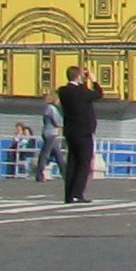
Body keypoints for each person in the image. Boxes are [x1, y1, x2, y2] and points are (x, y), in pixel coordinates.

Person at [56, 65, 103, 204]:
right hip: (84, 131)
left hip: (70, 131)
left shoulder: (63, 91)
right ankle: (77, 193)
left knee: (72, 163)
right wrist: (93, 80)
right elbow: (98, 94)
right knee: (83, 163)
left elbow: (80, 92)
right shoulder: (81, 92)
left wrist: (82, 80)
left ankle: (69, 195)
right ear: (78, 77)